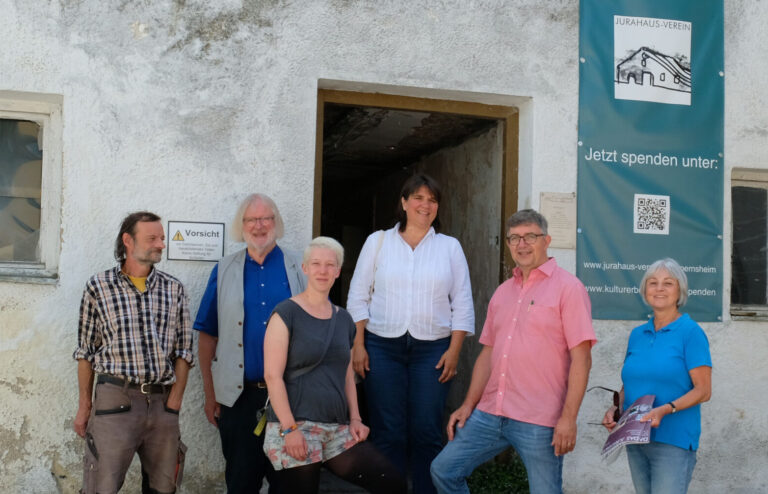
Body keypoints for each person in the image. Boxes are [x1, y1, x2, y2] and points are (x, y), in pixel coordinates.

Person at [430, 209, 596, 494]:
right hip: (491, 413)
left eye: (530, 236)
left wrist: (568, 419)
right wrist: (469, 404)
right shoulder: (503, 292)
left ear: (546, 240)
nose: (522, 244)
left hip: (540, 419)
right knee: (444, 470)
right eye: (514, 238)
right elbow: (487, 354)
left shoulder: (569, 289)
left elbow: (582, 359)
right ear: (507, 244)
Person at [346, 174, 475, 494]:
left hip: (433, 350)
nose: (425, 205)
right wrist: (358, 344)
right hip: (381, 346)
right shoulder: (378, 242)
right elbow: (357, 296)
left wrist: (455, 350)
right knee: (389, 432)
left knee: (427, 431)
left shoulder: (450, 247)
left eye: (432, 200)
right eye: (418, 198)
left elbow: (462, 302)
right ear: (403, 203)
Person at [262, 236, 406, 493]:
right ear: (305, 268)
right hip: (295, 425)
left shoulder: (344, 320)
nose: (323, 270)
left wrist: (356, 419)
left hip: (336, 429)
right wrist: (289, 429)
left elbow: (347, 375)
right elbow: (273, 376)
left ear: (338, 271)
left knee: (391, 480)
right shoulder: (285, 314)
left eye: (330, 264)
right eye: (316, 263)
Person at [73, 211, 194, 494]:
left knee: (164, 489)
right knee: (101, 487)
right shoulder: (98, 286)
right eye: (152, 238)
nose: (161, 244)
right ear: (128, 240)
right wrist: (84, 406)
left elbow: (184, 351)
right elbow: (85, 352)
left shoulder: (173, 289)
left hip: (163, 402)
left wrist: (174, 403)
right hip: (114, 401)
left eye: (162, 238)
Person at [194, 193, 306, 494]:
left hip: (292, 396)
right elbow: (207, 335)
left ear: (276, 222)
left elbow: (321, 327)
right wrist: (210, 393)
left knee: (289, 484)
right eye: (251, 220)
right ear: (241, 226)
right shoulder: (225, 268)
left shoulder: (301, 266)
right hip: (239, 399)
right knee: (241, 483)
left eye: (266, 218)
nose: (259, 225)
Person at [601, 258, 712, 494]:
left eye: (668, 283)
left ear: (679, 290)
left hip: (673, 439)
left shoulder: (691, 333)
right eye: (653, 283)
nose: (659, 288)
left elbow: (703, 390)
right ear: (645, 290)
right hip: (636, 437)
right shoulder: (637, 334)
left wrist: (665, 409)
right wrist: (617, 409)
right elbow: (632, 380)